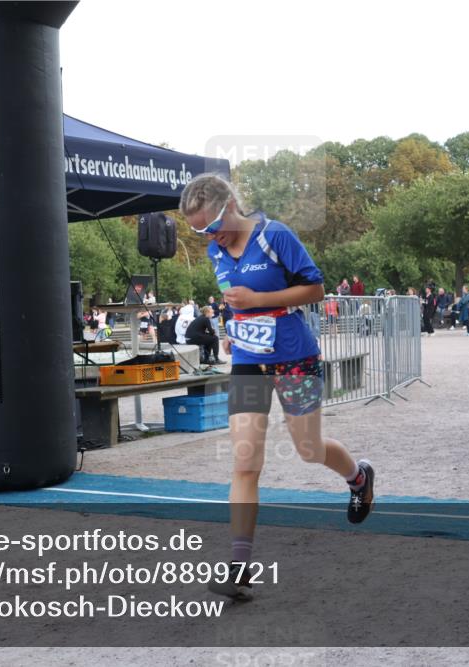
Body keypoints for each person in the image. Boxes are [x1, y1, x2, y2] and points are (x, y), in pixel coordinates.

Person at [179, 173, 374, 601]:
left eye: (212, 225)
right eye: (199, 231)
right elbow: (233, 297)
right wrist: (234, 327)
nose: (209, 236)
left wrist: (259, 302)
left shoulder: (275, 236)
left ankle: (359, 477)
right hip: (249, 363)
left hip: (294, 358)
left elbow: (316, 289)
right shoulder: (215, 251)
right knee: (245, 461)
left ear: (231, 206)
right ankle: (239, 568)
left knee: (309, 450)